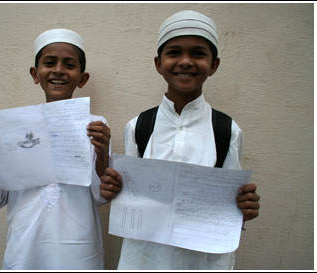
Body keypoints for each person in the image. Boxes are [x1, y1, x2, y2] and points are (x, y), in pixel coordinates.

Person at [99, 10, 260, 270]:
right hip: (144, 259)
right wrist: (114, 190)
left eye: (198, 53)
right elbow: (129, 193)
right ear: (158, 63)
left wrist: (244, 207)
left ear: (214, 64)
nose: (185, 61)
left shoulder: (227, 130)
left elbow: (230, 205)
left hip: (204, 261)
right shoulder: (138, 126)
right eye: (174, 52)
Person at [0, 28, 111, 270]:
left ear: (82, 78)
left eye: (69, 64)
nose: (58, 70)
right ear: (36, 74)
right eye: (49, 63)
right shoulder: (13, 128)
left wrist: (102, 152)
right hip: (25, 247)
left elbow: (100, 196)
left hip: (78, 249)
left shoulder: (96, 126)